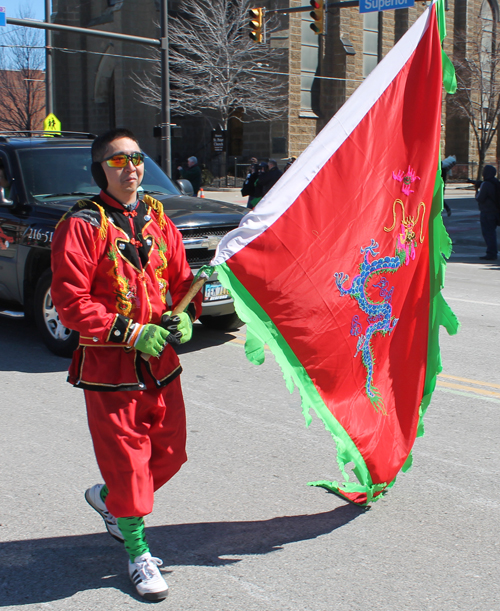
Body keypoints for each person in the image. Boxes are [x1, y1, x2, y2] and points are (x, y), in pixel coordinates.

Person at [51, 128, 202, 601]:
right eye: (119, 161)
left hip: (162, 364)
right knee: (129, 463)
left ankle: (113, 501)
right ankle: (138, 554)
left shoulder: (159, 219)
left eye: (137, 158)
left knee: (171, 452)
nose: (131, 167)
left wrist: (186, 317)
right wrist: (133, 332)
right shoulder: (80, 224)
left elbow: (180, 282)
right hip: (109, 370)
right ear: (102, 170)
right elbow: (69, 301)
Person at [475, 164, 500, 260]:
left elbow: (480, 198)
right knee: (492, 233)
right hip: (495, 212)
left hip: (487, 212)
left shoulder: (485, 184)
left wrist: (476, 190)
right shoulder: (495, 182)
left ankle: (491, 253)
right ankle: (492, 252)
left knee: (488, 233)